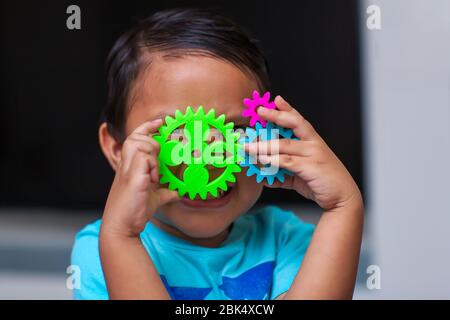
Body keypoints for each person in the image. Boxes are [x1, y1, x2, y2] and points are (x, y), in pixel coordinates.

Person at [71, 8, 364, 300]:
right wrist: (121, 239)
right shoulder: (104, 247)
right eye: (178, 135)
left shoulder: (287, 240)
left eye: (235, 129)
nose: (207, 160)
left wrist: (343, 206)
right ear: (118, 149)